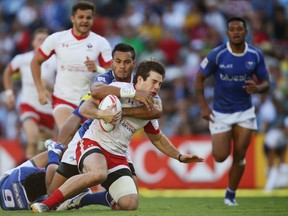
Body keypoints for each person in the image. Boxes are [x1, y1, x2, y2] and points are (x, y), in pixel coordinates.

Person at [30, 59, 204, 212]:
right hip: (91, 143)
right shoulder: (119, 89)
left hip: (117, 154)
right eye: (154, 82)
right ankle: (48, 197)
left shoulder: (154, 104)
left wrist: (180, 157)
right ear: (140, 79)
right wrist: (102, 114)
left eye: (160, 83)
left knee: (130, 203)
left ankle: (82, 199)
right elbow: (85, 107)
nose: (157, 87)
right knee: (94, 175)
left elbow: (157, 137)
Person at [44, 44, 161, 209]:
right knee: (54, 194)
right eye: (118, 61)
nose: (122, 66)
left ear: (134, 63)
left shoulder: (141, 82)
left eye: (127, 62)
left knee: (129, 198)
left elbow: (156, 111)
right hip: (91, 137)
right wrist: (63, 144)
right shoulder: (104, 80)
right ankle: (54, 155)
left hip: (117, 145)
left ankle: (83, 199)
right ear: (112, 63)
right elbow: (83, 109)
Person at [195, 16, 270, 206]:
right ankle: (230, 189)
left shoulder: (255, 55)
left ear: (246, 32)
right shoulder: (217, 54)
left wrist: (258, 88)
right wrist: (203, 106)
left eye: (239, 29)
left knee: (240, 154)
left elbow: (266, 83)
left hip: (245, 111)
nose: (236, 32)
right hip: (220, 112)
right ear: (227, 33)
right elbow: (199, 78)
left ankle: (230, 194)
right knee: (220, 156)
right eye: (232, 29)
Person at [30, 1, 112, 130]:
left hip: (90, 100)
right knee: (69, 135)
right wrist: (40, 90)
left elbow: (112, 73)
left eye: (88, 17)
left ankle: (54, 149)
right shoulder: (57, 39)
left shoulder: (101, 43)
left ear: (93, 19)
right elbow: (35, 61)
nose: (84, 21)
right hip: (63, 99)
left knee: (83, 144)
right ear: (72, 18)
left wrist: (97, 69)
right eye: (81, 17)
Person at [2, 28, 56, 159]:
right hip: (28, 105)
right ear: (33, 42)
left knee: (43, 148)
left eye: (45, 40)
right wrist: (9, 93)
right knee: (33, 140)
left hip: (49, 109)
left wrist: (49, 85)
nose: (42, 42)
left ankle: (36, 174)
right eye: (39, 39)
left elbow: (64, 86)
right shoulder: (23, 59)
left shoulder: (56, 61)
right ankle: (26, 176)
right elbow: (7, 72)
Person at [0, 140, 64, 210]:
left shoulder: (32, 205)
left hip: (7, 182)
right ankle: (55, 152)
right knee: (54, 175)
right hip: (6, 183)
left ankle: (54, 151)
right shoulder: (21, 174)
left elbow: (54, 173)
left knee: (56, 176)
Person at [264, 117, 288, 191]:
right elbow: (271, 153)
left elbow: (282, 154)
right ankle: (269, 189)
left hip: (277, 149)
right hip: (268, 147)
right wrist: (271, 167)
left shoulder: (285, 139)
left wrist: (282, 165)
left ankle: (278, 185)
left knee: (283, 168)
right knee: (273, 170)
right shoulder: (275, 135)